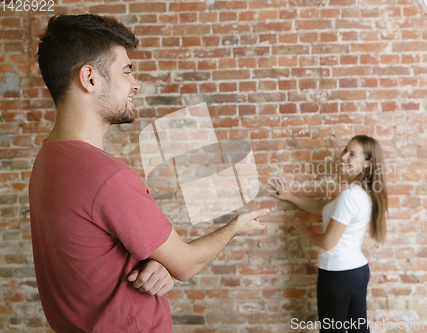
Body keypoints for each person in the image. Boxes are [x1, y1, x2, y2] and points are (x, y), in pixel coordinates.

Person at [29, 14, 268, 333]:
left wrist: (155, 262)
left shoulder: (48, 160)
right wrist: (234, 228)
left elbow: (93, 252)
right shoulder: (107, 177)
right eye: (126, 70)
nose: (135, 83)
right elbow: (185, 264)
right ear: (90, 78)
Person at [270, 135, 388, 333]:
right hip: (358, 271)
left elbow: (327, 243)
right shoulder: (362, 191)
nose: (343, 157)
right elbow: (323, 209)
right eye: (345, 150)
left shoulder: (350, 195)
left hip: (338, 274)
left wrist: (307, 231)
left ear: (367, 163)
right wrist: (289, 197)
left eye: (352, 154)